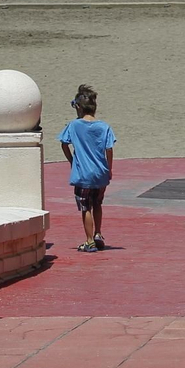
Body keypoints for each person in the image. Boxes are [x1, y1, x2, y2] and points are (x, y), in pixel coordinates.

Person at [60, 83, 117, 252]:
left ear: (78, 107)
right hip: (101, 174)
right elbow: (109, 149)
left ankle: (89, 240)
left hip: (83, 174)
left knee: (86, 207)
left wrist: (72, 161)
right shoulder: (104, 127)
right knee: (98, 203)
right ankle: (98, 233)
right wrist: (109, 168)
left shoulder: (74, 125)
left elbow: (64, 144)